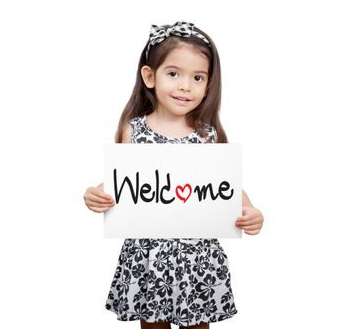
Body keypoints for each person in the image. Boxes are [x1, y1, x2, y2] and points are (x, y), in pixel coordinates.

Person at [84, 21, 264, 329]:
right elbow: (125, 180)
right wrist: (96, 194)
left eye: (197, 77)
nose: (185, 86)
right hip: (148, 255)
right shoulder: (134, 130)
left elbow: (224, 185)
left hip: (197, 257)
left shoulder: (207, 135)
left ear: (209, 84)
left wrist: (249, 209)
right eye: (173, 74)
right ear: (149, 76)